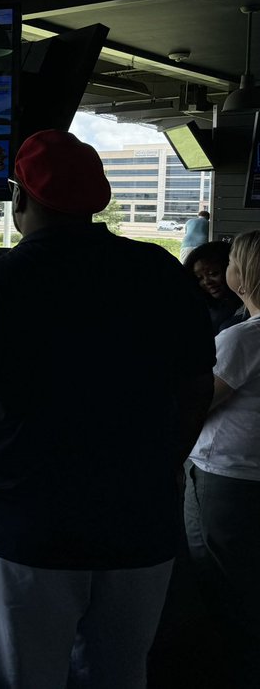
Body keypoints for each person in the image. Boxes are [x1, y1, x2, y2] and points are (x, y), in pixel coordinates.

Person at [0, 130, 214, 689]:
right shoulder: (161, 272)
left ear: (20, 197)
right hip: (140, 532)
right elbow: (195, 392)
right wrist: (161, 466)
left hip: (25, 535)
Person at [185, 229, 260, 688]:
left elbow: (193, 402)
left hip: (226, 480)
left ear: (245, 273)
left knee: (224, 589)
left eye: (230, 259)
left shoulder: (243, 340)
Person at [184, 240, 247, 334]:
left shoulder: (244, 310)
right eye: (200, 278)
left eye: (213, 274)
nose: (206, 282)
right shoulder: (203, 307)